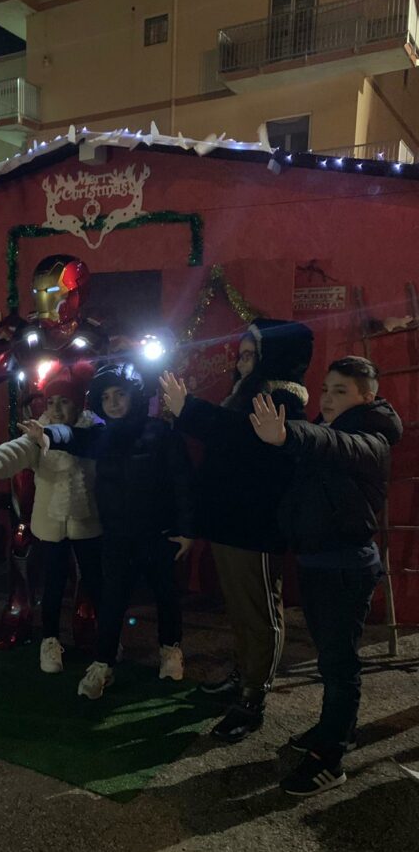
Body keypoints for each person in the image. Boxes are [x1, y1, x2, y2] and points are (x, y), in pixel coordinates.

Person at [249, 356, 402, 796]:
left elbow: (331, 444)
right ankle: (335, 729)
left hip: (345, 567)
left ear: (366, 397)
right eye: (326, 389)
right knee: (330, 659)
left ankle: (330, 758)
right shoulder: (329, 429)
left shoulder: (372, 439)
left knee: (339, 664)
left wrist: (288, 435)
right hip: (318, 563)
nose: (328, 399)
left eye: (341, 391)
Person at [160, 317, 313, 743]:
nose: (241, 362)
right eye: (241, 354)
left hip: (255, 527)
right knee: (241, 613)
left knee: (260, 616)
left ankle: (253, 697)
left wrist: (190, 409)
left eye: (250, 354)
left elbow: (240, 437)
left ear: (270, 357)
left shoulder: (282, 400)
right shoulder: (246, 395)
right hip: (231, 524)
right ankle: (244, 676)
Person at [24, 361, 195, 699]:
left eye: (120, 395)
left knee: (166, 595)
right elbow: (74, 437)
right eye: (106, 397)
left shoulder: (161, 434)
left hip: (158, 533)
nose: (113, 403)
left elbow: (183, 483)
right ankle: (103, 663)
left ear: (135, 396)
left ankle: (170, 648)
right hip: (116, 535)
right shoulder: (103, 435)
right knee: (112, 600)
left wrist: (187, 529)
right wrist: (47, 434)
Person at [0, 364, 103, 673]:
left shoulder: (94, 428)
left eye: (64, 401)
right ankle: (50, 640)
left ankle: (99, 635)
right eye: (51, 402)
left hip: (87, 521)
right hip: (51, 523)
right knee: (53, 584)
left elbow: (81, 443)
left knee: (93, 581)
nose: (56, 409)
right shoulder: (39, 431)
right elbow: (16, 451)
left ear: (79, 403)